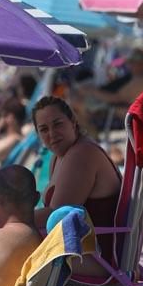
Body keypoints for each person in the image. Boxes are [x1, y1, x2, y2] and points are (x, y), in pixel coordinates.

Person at [30, 96, 122, 266]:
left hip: (97, 258)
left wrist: (8, 221)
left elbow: (56, 216)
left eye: (58, 124)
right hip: (79, 250)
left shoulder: (82, 154)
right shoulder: (59, 156)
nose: (52, 134)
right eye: (44, 129)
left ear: (73, 122)